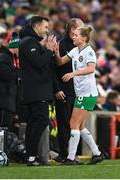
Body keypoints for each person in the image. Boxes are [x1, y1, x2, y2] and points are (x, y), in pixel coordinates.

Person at [54, 26, 104, 165]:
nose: (73, 37)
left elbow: (91, 68)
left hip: (87, 93)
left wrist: (73, 73)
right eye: (73, 35)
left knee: (73, 124)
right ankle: (97, 153)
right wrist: (56, 52)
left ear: (84, 38)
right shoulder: (75, 50)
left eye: (76, 35)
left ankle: (70, 158)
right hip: (82, 93)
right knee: (80, 126)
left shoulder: (88, 52)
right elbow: (60, 62)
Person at [19, 16, 56, 166]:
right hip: (36, 91)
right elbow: (39, 62)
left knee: (34, 122)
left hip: (35, 90)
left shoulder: (30, 42)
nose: (47, 30)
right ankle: (32, 156)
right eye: (45, 27)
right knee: (41, 121)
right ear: (37, 26)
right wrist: (48, 50)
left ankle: (31, 157)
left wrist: (49, 51)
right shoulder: (29, 42)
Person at [54, 18, 84, 162]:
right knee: (65, 123)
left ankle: (72, 154)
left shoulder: (79, 45)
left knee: (75, 124)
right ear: (72, 30)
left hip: (76, 90)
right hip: (64, 90)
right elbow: (54, 68)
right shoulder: (61, 44)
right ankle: (64, 154)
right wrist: (57, 89)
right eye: (80, 27)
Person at [0, 32, 20, 132]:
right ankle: (2, 148)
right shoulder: (4, 58)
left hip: (8, 102)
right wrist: (20, 70)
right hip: (3, 102)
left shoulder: (10, 59)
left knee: (8, 132)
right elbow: (7, 75)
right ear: (16, 47)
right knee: (4, 131)